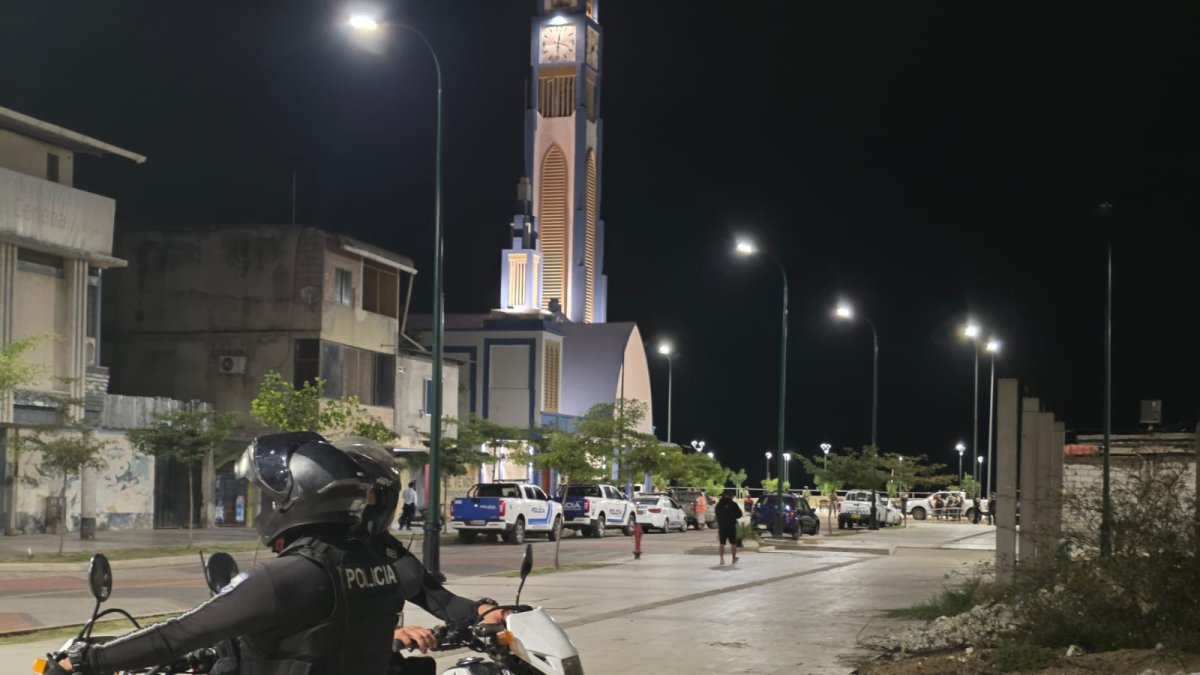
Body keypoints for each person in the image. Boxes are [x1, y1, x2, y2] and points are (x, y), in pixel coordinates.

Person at [47, 432, 504, 675]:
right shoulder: (375, 565)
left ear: (291, 497)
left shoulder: (288, 576)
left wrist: (83, 661)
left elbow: (178, 635)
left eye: (265, 495)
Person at [715, 489, 743, 565]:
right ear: (731, 496)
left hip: (722, 526)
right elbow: (739, 515)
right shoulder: (734, 504)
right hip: (731, 526)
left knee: (722, 543)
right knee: (733, 543)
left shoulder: (719, 504)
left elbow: (717, 515)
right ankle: (733, 559)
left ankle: (721, 559)